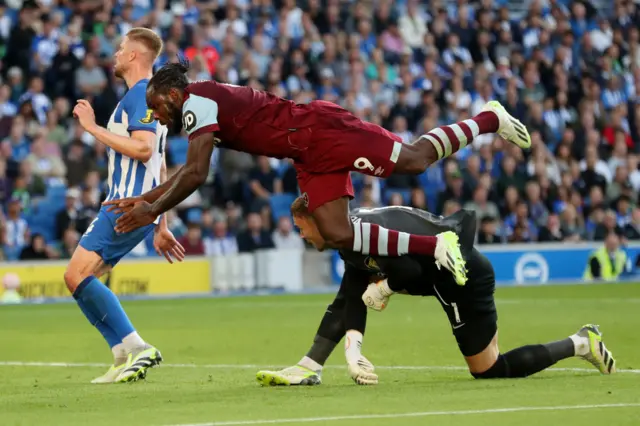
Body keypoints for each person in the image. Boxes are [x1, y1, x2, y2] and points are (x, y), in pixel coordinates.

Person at [104, 60, 532, 286]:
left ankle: (488, 120)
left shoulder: (197, 103)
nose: (157, 119)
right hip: (306, 154)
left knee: (416, 160)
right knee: (336, 232)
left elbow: (195, 175)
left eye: (158, 109)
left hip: (323, 132)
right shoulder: (198, 108)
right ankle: (436, 245)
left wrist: (151, 210)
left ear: (175, 95)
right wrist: (146, 202)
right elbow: (187, 172)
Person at [255, 198, 616, 386]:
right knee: (357, 294)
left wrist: (386, 288)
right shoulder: (349, 233)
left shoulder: (361, 234)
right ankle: (310, 366)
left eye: (302, 228)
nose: (301, 235)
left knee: (489, 369)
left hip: (461, 278)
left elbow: (409, 271)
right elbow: (350, 295)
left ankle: (581, 343)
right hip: (443, 275)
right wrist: (353, 353)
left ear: (318, 221)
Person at [66, 28, 185, 384]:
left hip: (126, 204)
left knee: (76, 275)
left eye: (120, 49)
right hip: (140, 207)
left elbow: (145, 150)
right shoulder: (147, 98)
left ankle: (136, 346)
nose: (115, 54)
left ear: (134, 55)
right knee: (80, 278)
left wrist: (91, 127)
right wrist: (161, 224)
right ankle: (122, 354)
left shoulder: (139, 96)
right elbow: (161, 163)